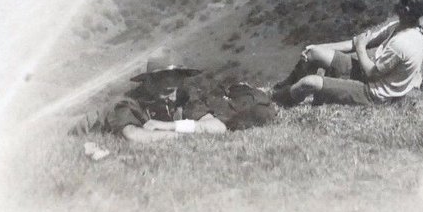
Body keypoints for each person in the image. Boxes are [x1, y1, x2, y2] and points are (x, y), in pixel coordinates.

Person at [273, 0, 423, 107]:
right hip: (370, 77)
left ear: (405, 10)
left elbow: (371, 71)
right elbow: (357, 42)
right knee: (313, 54)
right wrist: (318, 48)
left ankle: (278, 101)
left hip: (374, 93)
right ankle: (287, 87)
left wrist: (360, 47)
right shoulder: (400, 26)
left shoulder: (403, 43)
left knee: (310, 82)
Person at [72, 52, 275, 144]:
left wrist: (167, 126)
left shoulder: (183, 97)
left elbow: (217, 128)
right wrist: (188, 134)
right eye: (161, 80)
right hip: (79, 136)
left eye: (175, 80)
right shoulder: (128, 103)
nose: (169, 87)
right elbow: (135, 137)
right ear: (147, 82)